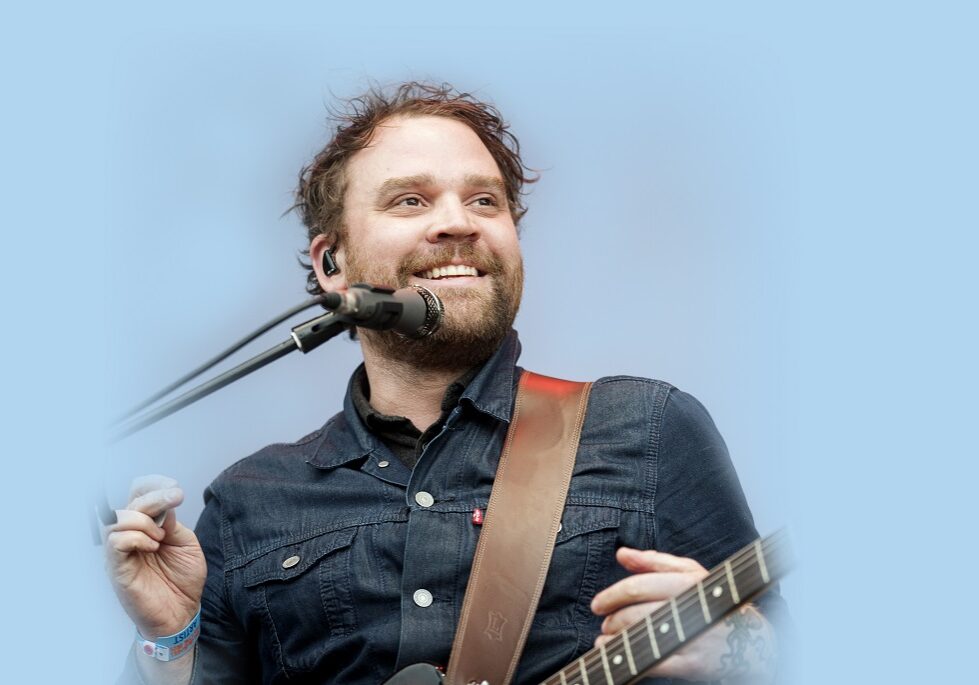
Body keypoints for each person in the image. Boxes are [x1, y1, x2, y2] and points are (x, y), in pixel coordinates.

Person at [106, 82, 787, 685]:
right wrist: (171, 644)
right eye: (411, 199)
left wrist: (740, 649)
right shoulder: (248, 502)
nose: (458, 221)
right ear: (331, 263)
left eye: (484, 200)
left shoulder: (649, 428)